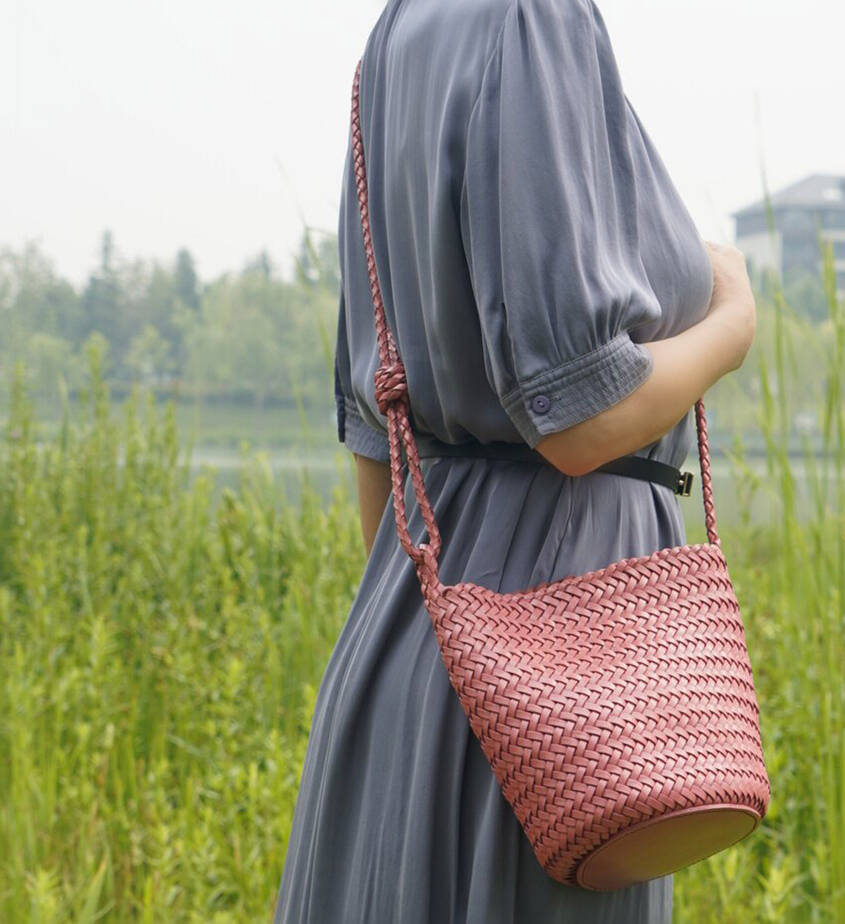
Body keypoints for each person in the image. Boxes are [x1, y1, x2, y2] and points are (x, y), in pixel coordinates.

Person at [272, 0, 756, 920]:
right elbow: (581, 417)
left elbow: (380, 433)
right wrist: (730, 322)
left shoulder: (397, 32)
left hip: (419, 636)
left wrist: (437, 653)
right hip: (560, 684)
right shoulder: (535, 16)